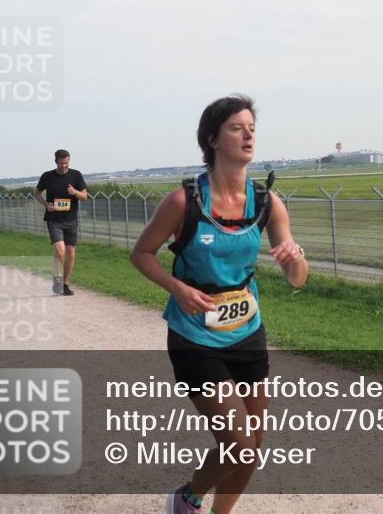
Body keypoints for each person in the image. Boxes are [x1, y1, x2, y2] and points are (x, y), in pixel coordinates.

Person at [130, 94, 307, 514]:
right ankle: (187, 497)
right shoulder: (183, 202)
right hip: (194, 335)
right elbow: (141, 254)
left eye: (252, 128)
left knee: (253, 447)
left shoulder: (266, 202)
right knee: (238, 442)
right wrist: (178, 288)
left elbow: (298, 281)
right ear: (212, 139)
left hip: (246, 331)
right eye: (236, 128)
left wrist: (294, 258)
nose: (248, 135)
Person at [34, 149, 88, 296]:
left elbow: (85, 196)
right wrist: (46, 204)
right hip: (54, 220)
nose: (63, 166)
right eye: (61, 163)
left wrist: (75, 192)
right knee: (60, 250)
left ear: (69, 161)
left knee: (70, 254)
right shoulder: (47, 176)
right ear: (55, 161)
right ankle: (56, 277)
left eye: (66, 163)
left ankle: (65, 284)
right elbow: (37, 194)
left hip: (71, 220)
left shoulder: (76, 175)